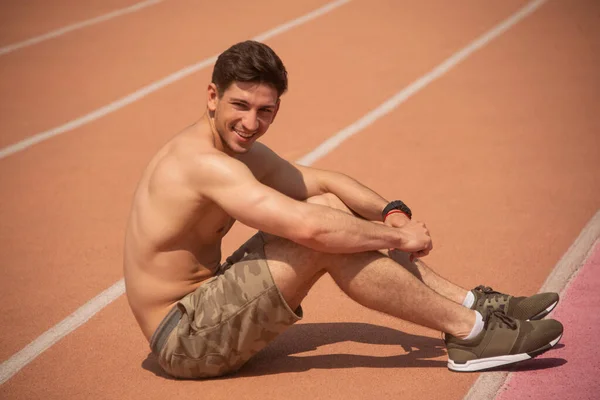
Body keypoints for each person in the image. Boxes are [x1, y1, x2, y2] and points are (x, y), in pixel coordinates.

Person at [123, 40, 563, 379]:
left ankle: (474, 305)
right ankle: (472, 333)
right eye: (240, 105)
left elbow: (323, 182)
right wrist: (398, 239)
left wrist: (392, 212)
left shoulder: (236, 150)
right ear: (212, 96)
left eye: (265, 111)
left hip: (206, 307)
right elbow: (311, 232)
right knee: (320, 239)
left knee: (327, 207)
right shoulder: (200, 163)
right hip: (183, 342)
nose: (252, 123)